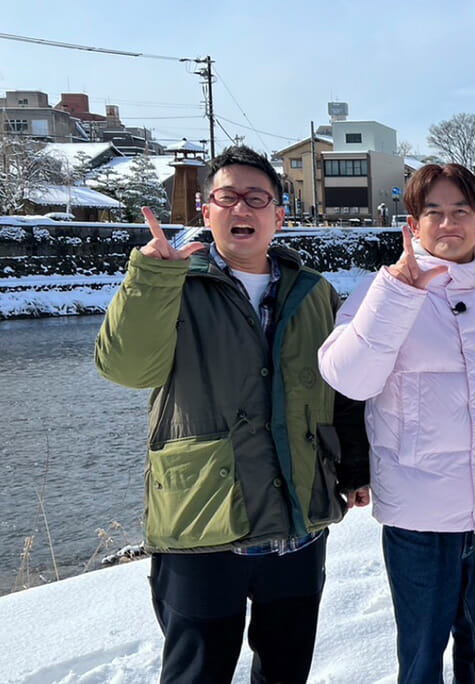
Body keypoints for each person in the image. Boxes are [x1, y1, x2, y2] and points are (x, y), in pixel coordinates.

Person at [95, 145, 370, 683]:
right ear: (206, 211)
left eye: (256, 198)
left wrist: (355, 467)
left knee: (286, 671)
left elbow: (343, 392)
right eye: (227, 197)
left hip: (298, 520)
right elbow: (126, 368)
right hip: (203, 524)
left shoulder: (315, 292)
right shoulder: (172, 283)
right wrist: (151, 280)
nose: (241, 209)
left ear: (279, 215)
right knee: (197, 672)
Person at [317, 163, 475, 684]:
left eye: (460, 212)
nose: (448, 224)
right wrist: (400, 291)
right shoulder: (378, 292)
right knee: (422, 655)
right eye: (434, 213)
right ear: (413, 225)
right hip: (418, 514)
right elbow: (348, 378)